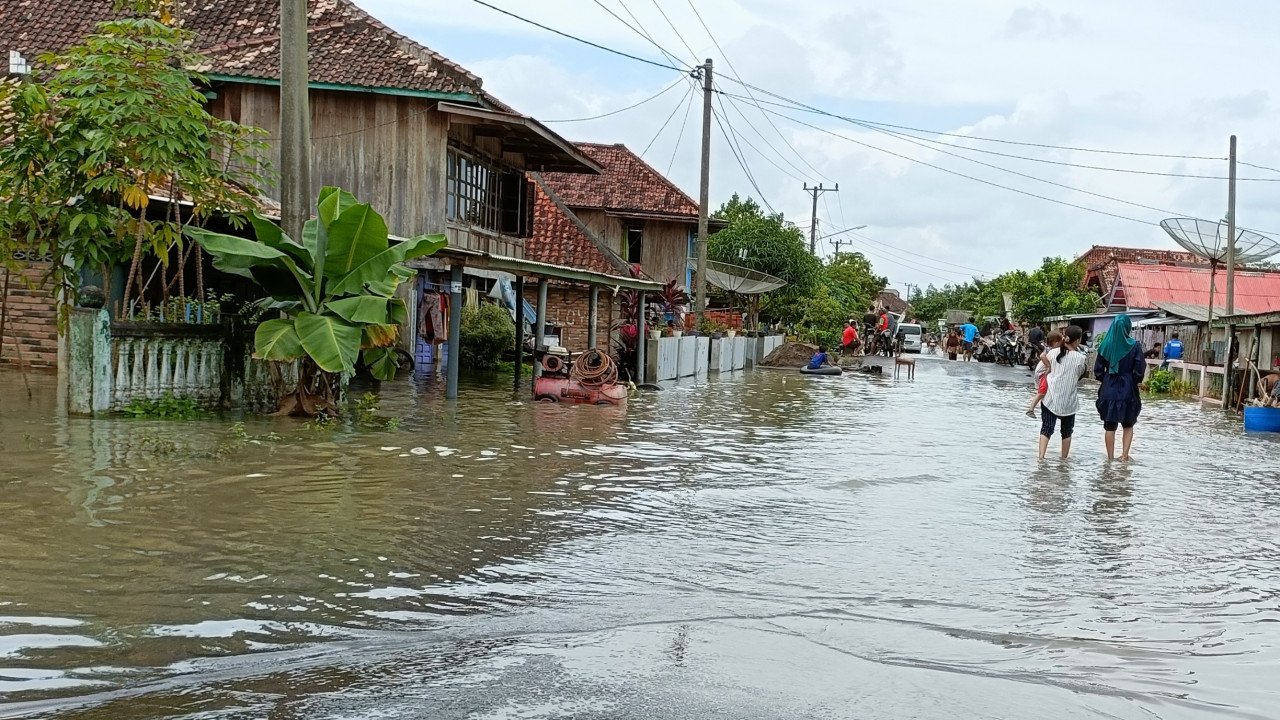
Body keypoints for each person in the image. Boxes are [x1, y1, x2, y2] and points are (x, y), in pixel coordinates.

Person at [1094, 314, 1146, 462]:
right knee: (1128, 424)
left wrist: (1108, 380)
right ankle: (1124, 456)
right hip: (1128, 390)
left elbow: (1097, 371)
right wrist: (1132, 380)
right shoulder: (1135, 346)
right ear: (1127, 327)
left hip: (1108, 390)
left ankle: (1110, 459)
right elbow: (1140, 370)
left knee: (1109, 426)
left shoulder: (1104, 346)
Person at [1037, 325, 1089, 460]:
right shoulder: (1080, 358)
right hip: (1069, 401)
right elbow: (1080, 375)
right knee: (1066, 432)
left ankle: (1041, 458)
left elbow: (1043, 367)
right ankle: (1064, 460)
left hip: (1050, 398)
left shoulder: (1053, 353)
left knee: (1046, 429)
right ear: (1077, 341)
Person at [1025, 330, 1063, 417]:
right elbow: (1042, 356)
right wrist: (1049, 366)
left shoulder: (1052, 349)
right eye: (1061, 342)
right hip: (1043, 373)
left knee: (1043, 393)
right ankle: (1031, 409)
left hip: (1042, 373)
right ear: (1056, 343)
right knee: (1041, 392)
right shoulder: (1050, 349)